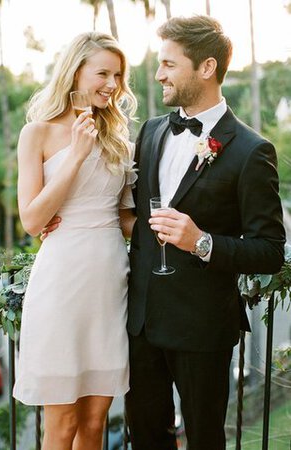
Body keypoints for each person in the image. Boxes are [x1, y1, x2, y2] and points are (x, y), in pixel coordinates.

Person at [124, 15, 286, 450]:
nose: (158, 74)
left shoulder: (252, 151)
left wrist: (201, 242)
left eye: (169, 64)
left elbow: (271, 250)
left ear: (207, 67)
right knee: (145, 438)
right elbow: (135, 216)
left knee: (204, 440)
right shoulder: (151, 131)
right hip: (140, 325)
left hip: (202, 328)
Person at [13, 31, 137, 450]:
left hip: (109, 283)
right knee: (62, 424)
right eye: (103, 72)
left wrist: (183, 234)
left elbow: (124, 218)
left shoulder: (120, 137)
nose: (112, 84)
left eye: (118, 76)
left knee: (95, 421)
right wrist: (77, 156)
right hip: (61, 283)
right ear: (75, 72)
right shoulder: (38, 133)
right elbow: (32, 220)